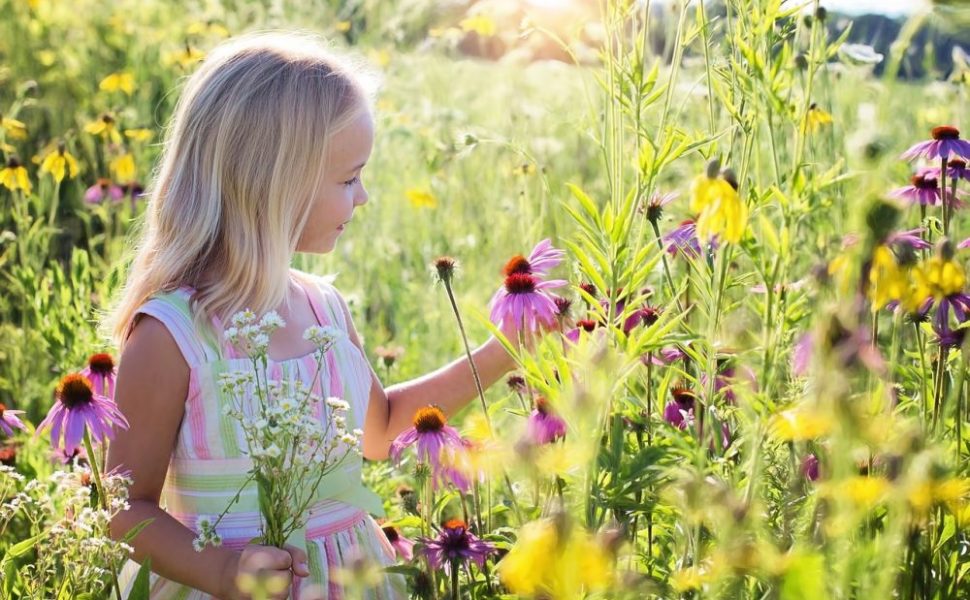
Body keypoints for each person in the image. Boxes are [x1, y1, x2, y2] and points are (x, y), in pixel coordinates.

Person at [104, 30, 521, 599]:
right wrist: (222, 573)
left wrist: (505, 349)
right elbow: (124, 510)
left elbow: (380, 430)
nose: (364, 197)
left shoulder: (323, 307)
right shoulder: (173, 335)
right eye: (349, 178)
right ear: (274, 185)